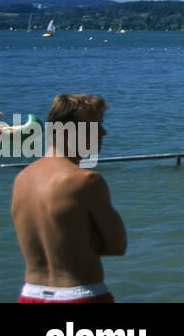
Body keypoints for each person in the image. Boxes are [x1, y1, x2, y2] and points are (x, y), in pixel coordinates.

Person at [12, 94, 125, 302]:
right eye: (94, 126)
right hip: (79, 294)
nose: (103, 132)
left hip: (30, 294)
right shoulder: (87, 181)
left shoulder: (21, 179)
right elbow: (117, 245)